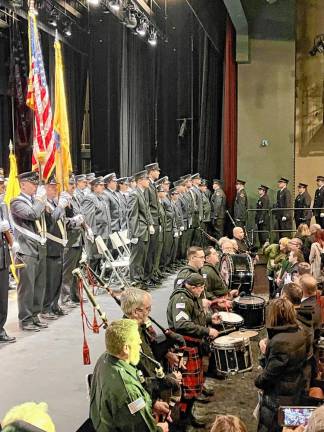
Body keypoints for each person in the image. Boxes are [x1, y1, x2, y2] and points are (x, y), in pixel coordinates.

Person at [89, 319, 169, 432]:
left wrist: (152, 403)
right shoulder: (129, 391)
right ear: (126, 348)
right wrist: (160, 429)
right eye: (137, 340)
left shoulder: (105, 358)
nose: (140, 343)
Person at [167, 273, 219, 419]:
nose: (202, 291)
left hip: (192, 344)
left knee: (193, 386)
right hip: (184, 347)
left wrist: (209, 318)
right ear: (194, 287)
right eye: (201, 288)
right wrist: (207, 330)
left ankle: (189, 416)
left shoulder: (191, 297)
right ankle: (183, 421)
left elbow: (195, 316)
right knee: (185, 389)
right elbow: (181, 324)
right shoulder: (181, 299)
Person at [120, 288, 182, 407]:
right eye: (147, 309)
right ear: (135, 312)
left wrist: (165, 353)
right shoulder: (127, 340)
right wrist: (168, 380)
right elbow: (133, 383)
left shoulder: (139, 327)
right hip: (146, 399)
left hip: (154, 389)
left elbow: (149, 353)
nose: (149, 312)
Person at [255, 298, 307, 432]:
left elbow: (269, 376)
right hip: (294, 390)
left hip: (278, 398)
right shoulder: (300, 331)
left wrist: (264, 353)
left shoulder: (279, 342)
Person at [10, 171, 47, 332]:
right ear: (23, 184)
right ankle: (25, 319)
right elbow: (32, 214)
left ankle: (34, 315)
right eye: (33, 184)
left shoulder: (34, 201)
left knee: (39, 285)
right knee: (27, 287)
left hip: (38, 248)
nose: (36, 186)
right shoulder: (16, 202)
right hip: (26, 250)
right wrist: (39, 200)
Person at [41, 175, 69, 320]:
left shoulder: (54, 203)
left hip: (58, 246)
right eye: (51, 186)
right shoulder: (44, 204)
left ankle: (55, 305)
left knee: (58, 279)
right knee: (50, 281)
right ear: (44, 188)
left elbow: (62, 222)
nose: (54, 189)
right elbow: (52, 221)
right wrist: (60, 206)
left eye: (55, 186)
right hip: (50, 247)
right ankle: (46, 309)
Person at [61, 175, 85, 307]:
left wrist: (85, 227)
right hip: (69, 239)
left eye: (73, 184)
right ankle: (65, 299)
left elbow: (80, 214)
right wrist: (75, 221)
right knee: (67, 272)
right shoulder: (63, 200)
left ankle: (75, 295)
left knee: (77, 270)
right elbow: (62, 222)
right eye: (70, 184)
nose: (73, 186)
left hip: (78, 238)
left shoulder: (74, 197)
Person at [127, 170, 153, 288]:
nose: (148, 181)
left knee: (142, 257)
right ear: (139, 181)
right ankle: (135, 281)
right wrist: (134, 234)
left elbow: (146, 212)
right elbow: (132, 216)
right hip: (139, 231)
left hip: (144, 230)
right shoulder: (134, 194)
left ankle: (140, 279)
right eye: (146, 179)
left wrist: (150, 224)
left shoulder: (142, 193)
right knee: (136, 258)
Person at [82, 177, 111, 270]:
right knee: (93, 257)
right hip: (95, 233)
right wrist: (91, 233)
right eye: (101, 185)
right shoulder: (89, 198)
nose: (103, 187)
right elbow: (88, 217)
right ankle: (91, 280)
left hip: (103, 232)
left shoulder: (101, 197)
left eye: (103, 185)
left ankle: (97, 279)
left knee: (100, 257)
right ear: (94, 187)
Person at [0, 203, 16, 343]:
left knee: (2, 298)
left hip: (3, 256)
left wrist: (12, 243)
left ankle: (0, 329)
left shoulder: (2, 205)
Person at [144, 163, 161, 286]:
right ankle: (147, 276)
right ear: (151, 172)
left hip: (155, 220)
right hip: (152, 221)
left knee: (153, 250)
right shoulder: (147, 185)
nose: (158, 173)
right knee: (149, 251)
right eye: (157, 171)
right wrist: (150, 223)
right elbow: (147, 206)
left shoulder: (152, 185)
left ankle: (151, 274)